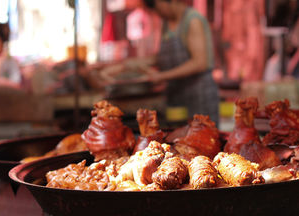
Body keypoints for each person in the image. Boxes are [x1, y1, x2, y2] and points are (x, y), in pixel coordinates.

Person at [88, 0, 219, 126]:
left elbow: (200, 62)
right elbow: (162, 57)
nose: (157, 12)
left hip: (199, 96)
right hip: (176, 96)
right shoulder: (167, 24)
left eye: (157, 6)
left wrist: (161, 76)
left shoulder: (193, 20)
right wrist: (128, 65)